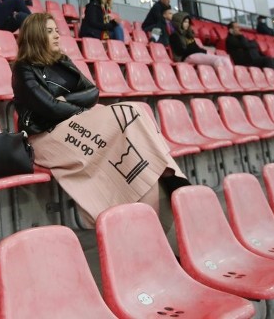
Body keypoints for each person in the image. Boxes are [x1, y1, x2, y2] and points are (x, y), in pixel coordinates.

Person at [12, 13, 189, 229]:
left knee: (133, 111)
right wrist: (78, 107)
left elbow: (93, 92)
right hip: (47, 136)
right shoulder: (23, 69)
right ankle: (169, 174)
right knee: (128, 114)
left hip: (77, 122)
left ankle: (163, 174)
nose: (57, 36)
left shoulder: (63, 61)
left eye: (56, 31)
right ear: (36, 36)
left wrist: (67, 100)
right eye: (49, 32)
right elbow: (50, 108)